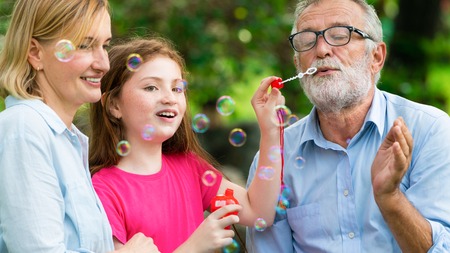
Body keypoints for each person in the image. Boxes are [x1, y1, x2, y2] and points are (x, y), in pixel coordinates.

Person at [245, 0, 450, 252]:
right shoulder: (275, 157)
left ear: (376, 57)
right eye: (307, 40)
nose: (321, 50)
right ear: (298, 64)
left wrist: (391, 199)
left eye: (339, 35)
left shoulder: (430, 131)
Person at [89, 37, 285, 253]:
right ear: (114, 105)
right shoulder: (103, 191)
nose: (169, 98)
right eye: (152, 87)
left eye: (177, 88)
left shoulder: (189, 167)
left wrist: (270, 131)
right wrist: (193, 247)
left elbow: (260, 212)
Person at [0, 1, 159, 252]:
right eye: (85, 45)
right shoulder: (24, 128)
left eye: (104, 45)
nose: (103, 64)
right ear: (35, 53)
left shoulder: (68, 139)